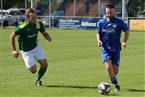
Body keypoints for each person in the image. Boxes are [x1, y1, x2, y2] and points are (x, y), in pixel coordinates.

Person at [10, 8, 52, 86]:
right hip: (26, 51)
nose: (35, 19)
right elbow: (12, 36)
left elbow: (43, 32)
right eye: (32, 17)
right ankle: (26, 60)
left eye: (35, 16)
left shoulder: (38, 23)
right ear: (28, 18)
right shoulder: (23, 26)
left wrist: (48, 37)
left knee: (45, 65)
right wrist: (14, 50)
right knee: (33, 70)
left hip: (36, 47)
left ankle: (37, 80)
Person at [96, 3, 129, 92]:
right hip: (105, 48)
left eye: (111, 13)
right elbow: (98, 33)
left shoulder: (119, 22)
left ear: (114, 11)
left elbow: (126, 32)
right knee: (108, 67)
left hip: (116, 48)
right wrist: (99, 40)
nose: (109, 14)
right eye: (107, 13)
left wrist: (124, 41)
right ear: (105, 12)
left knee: (115, 71)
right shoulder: (101, 22)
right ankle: (116, 84)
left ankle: (111, 79)